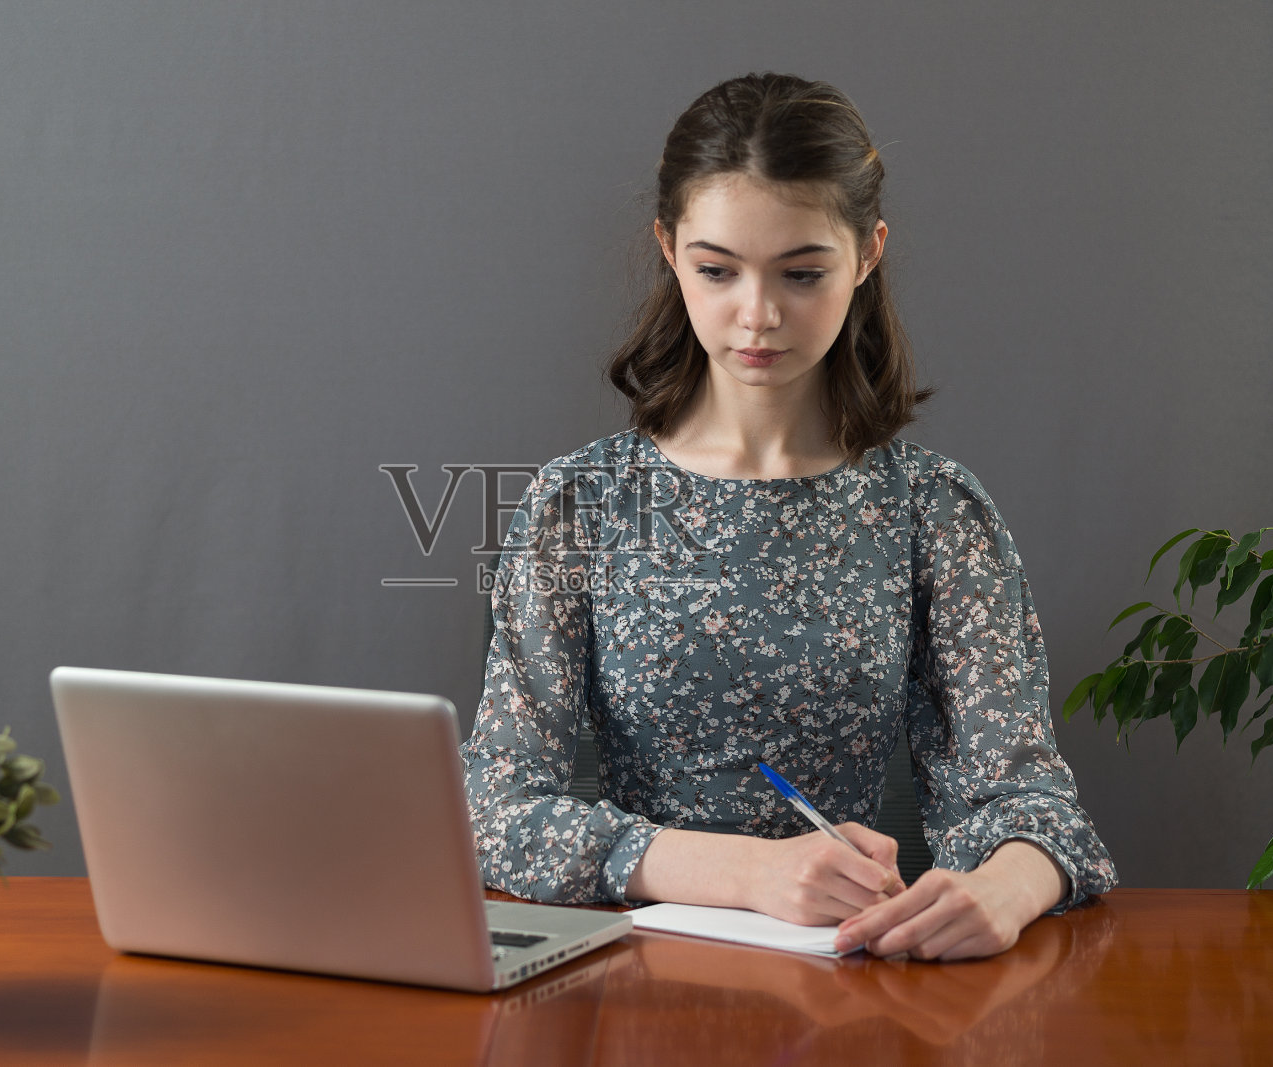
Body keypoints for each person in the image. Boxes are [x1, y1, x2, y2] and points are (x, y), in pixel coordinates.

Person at [460, 72, 1116, 961]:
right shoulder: (579, 504)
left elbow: (1032, 804)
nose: (757, 315)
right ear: (668, 247)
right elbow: (497, 811)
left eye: (803, 273)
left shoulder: (932, 509)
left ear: (869, 252)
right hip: (635, 982)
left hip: (853, 981)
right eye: (716, 270)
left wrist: (1003, 886)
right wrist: (749, 872)